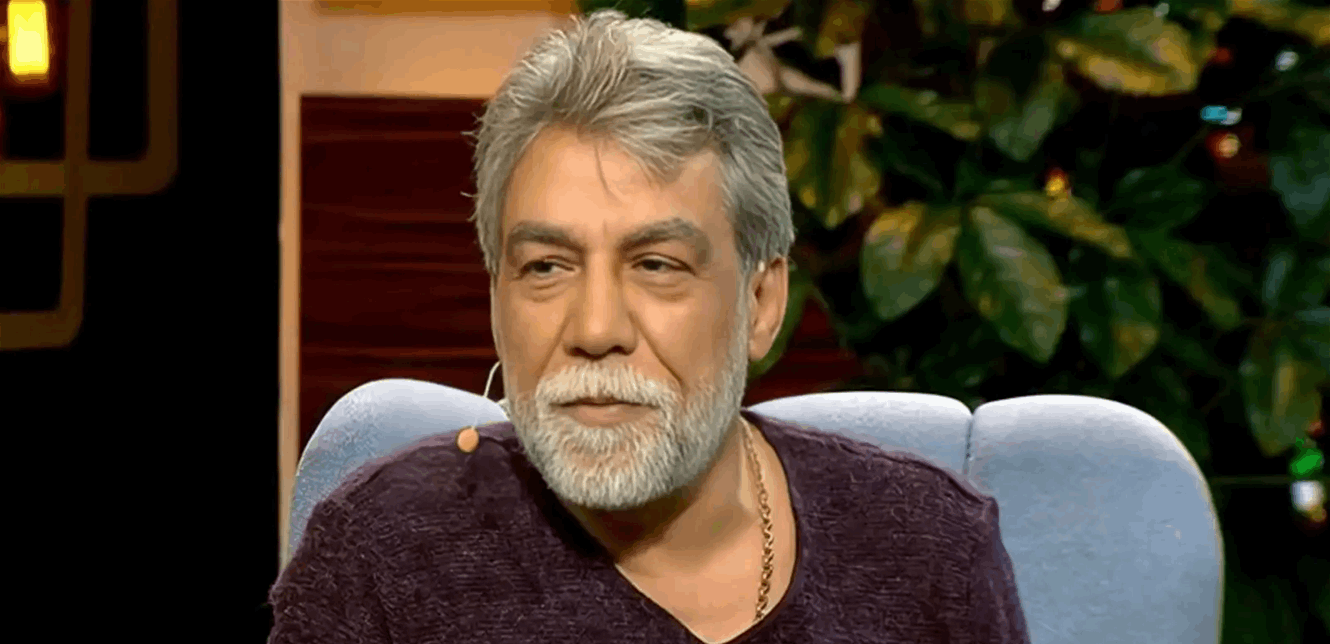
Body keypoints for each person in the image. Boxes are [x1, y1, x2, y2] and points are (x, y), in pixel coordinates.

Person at [268, 9, 1030, 643]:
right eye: (546, 266)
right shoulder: (381, 553)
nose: (596, 327)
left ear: (761, 303)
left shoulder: (931, 548)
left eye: (656, 264)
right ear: (497, 296)